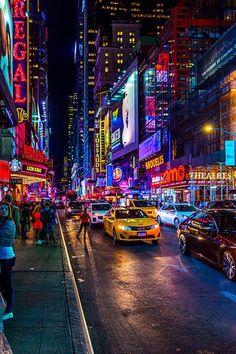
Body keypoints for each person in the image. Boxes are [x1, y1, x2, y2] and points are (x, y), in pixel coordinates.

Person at [0, 202, 16, 321]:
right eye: (1, 208)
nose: (4, 210)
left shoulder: (9, 223)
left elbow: (3, 237)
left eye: (6, 208)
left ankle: (9, 309)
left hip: (7, 257)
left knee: (7, 283)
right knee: (3, 283)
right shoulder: (3, 222)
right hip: (2, 257)